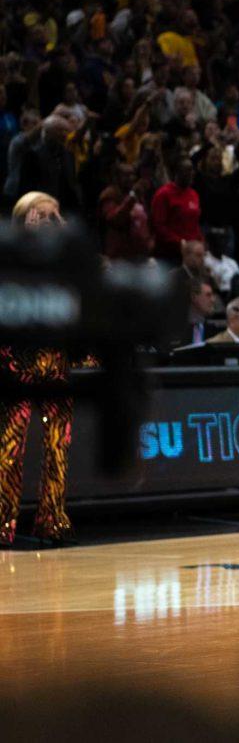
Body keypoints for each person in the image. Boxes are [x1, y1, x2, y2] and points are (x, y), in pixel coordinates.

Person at [1, 192, 80, 545]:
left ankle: (52, 520)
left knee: (58, 446)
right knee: (9, 446)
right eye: (42, 216)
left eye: (55, 216)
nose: (49, 222)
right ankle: (2, 522)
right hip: (15, 358)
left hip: (56, 357)